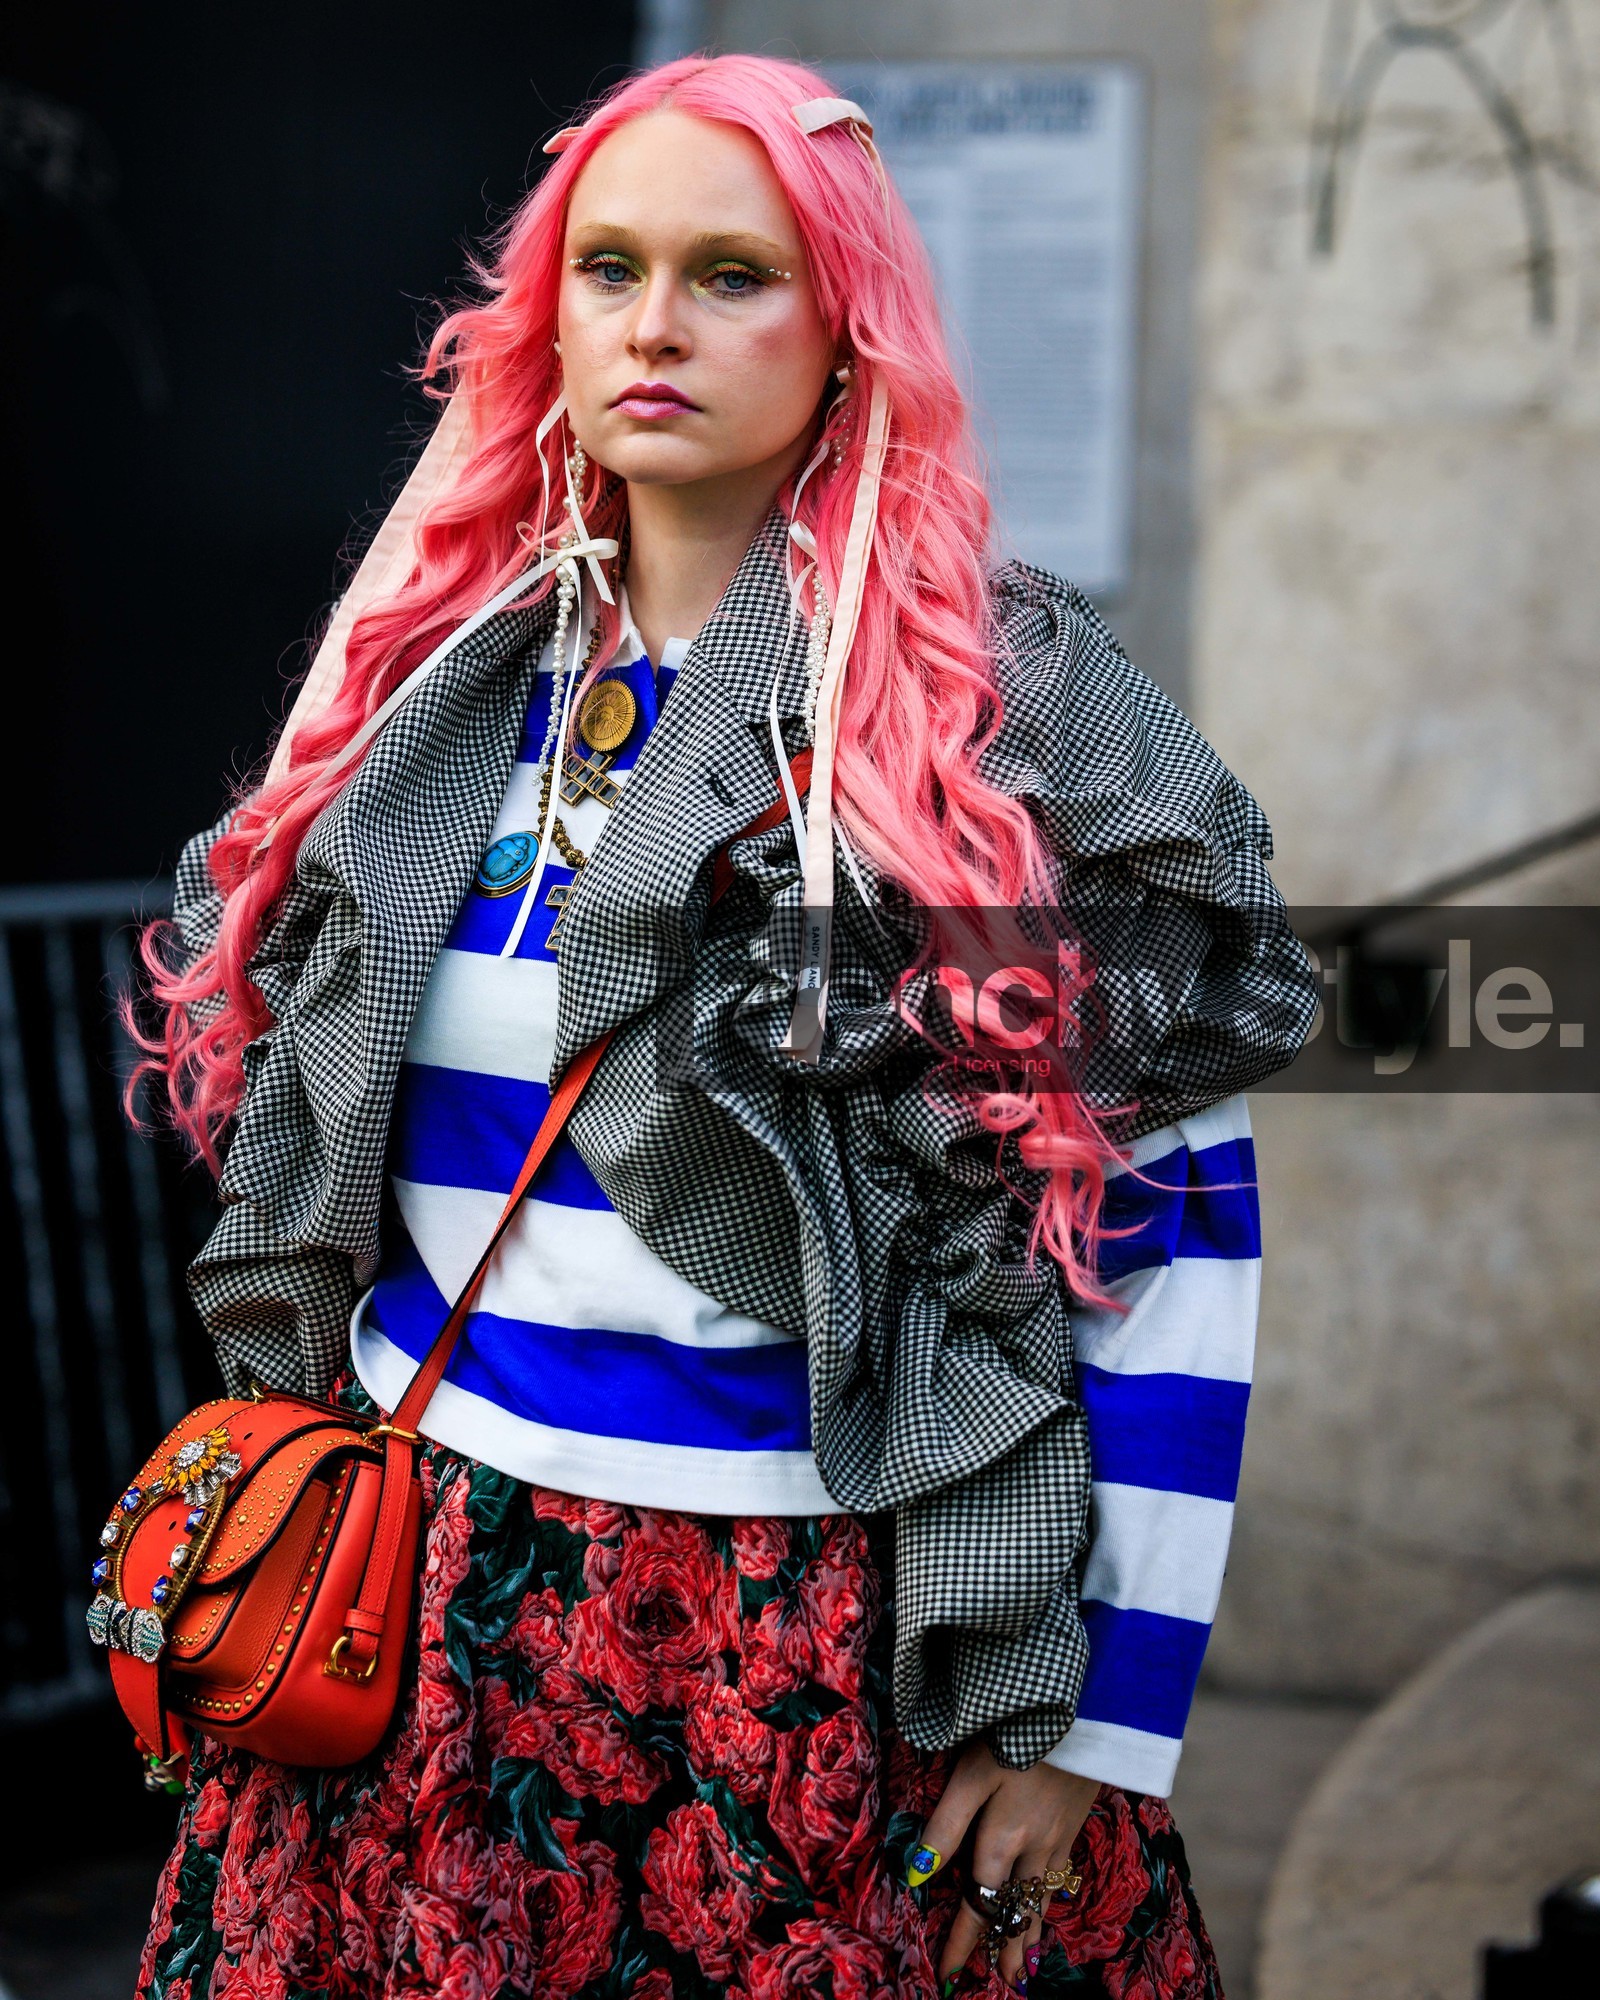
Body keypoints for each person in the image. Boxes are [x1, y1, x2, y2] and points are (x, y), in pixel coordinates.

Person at [130, 52, 1316, 2000]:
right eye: (604, 267)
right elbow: (257, 975)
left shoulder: (980, 707)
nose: (654, 324)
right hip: (422, 1617)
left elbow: (1170, 1215)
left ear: (849, 325)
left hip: (814, 1636)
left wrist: (1095, 1727)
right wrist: (446, 525)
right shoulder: (445, 697)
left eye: (731, 272)